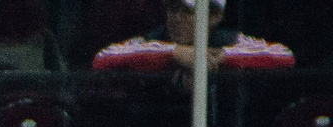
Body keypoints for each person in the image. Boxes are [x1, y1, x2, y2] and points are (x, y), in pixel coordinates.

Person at [93, 0, 291, 74]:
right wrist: (175, 53)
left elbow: (283, 55)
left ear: (215, 16)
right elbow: (103, 57)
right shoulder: (155, 39)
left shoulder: (229, 41)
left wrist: (219, 57)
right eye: (173, 8)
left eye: (187, 12)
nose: (177, 18)